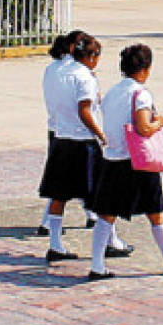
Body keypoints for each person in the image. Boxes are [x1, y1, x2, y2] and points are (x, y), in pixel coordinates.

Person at [86, 43, 163, 280]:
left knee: (106, 214)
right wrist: (160, 122)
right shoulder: (140, 94)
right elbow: (143, 128)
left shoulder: (112, 93)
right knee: (155, 211)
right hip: (137, 162)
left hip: (112, 159)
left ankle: (97, 264)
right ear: (145, 69)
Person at [37, 32, 110, 262]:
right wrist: (101, 135)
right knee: (100, 193)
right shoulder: (84, 76)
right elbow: (85, 110)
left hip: (60, 136)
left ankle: (55, 243)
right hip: (83, 140)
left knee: (59, 195)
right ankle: (108, 243)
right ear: (90, 56)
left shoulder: (55, 70)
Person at [36, 30, 96, 235]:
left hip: (56, 127)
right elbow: (84, 108)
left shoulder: (53, 68)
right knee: (80, 181)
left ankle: (90, 215)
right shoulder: (78, 72)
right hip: (77, 132)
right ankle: (49, 223)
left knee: (64, 182)